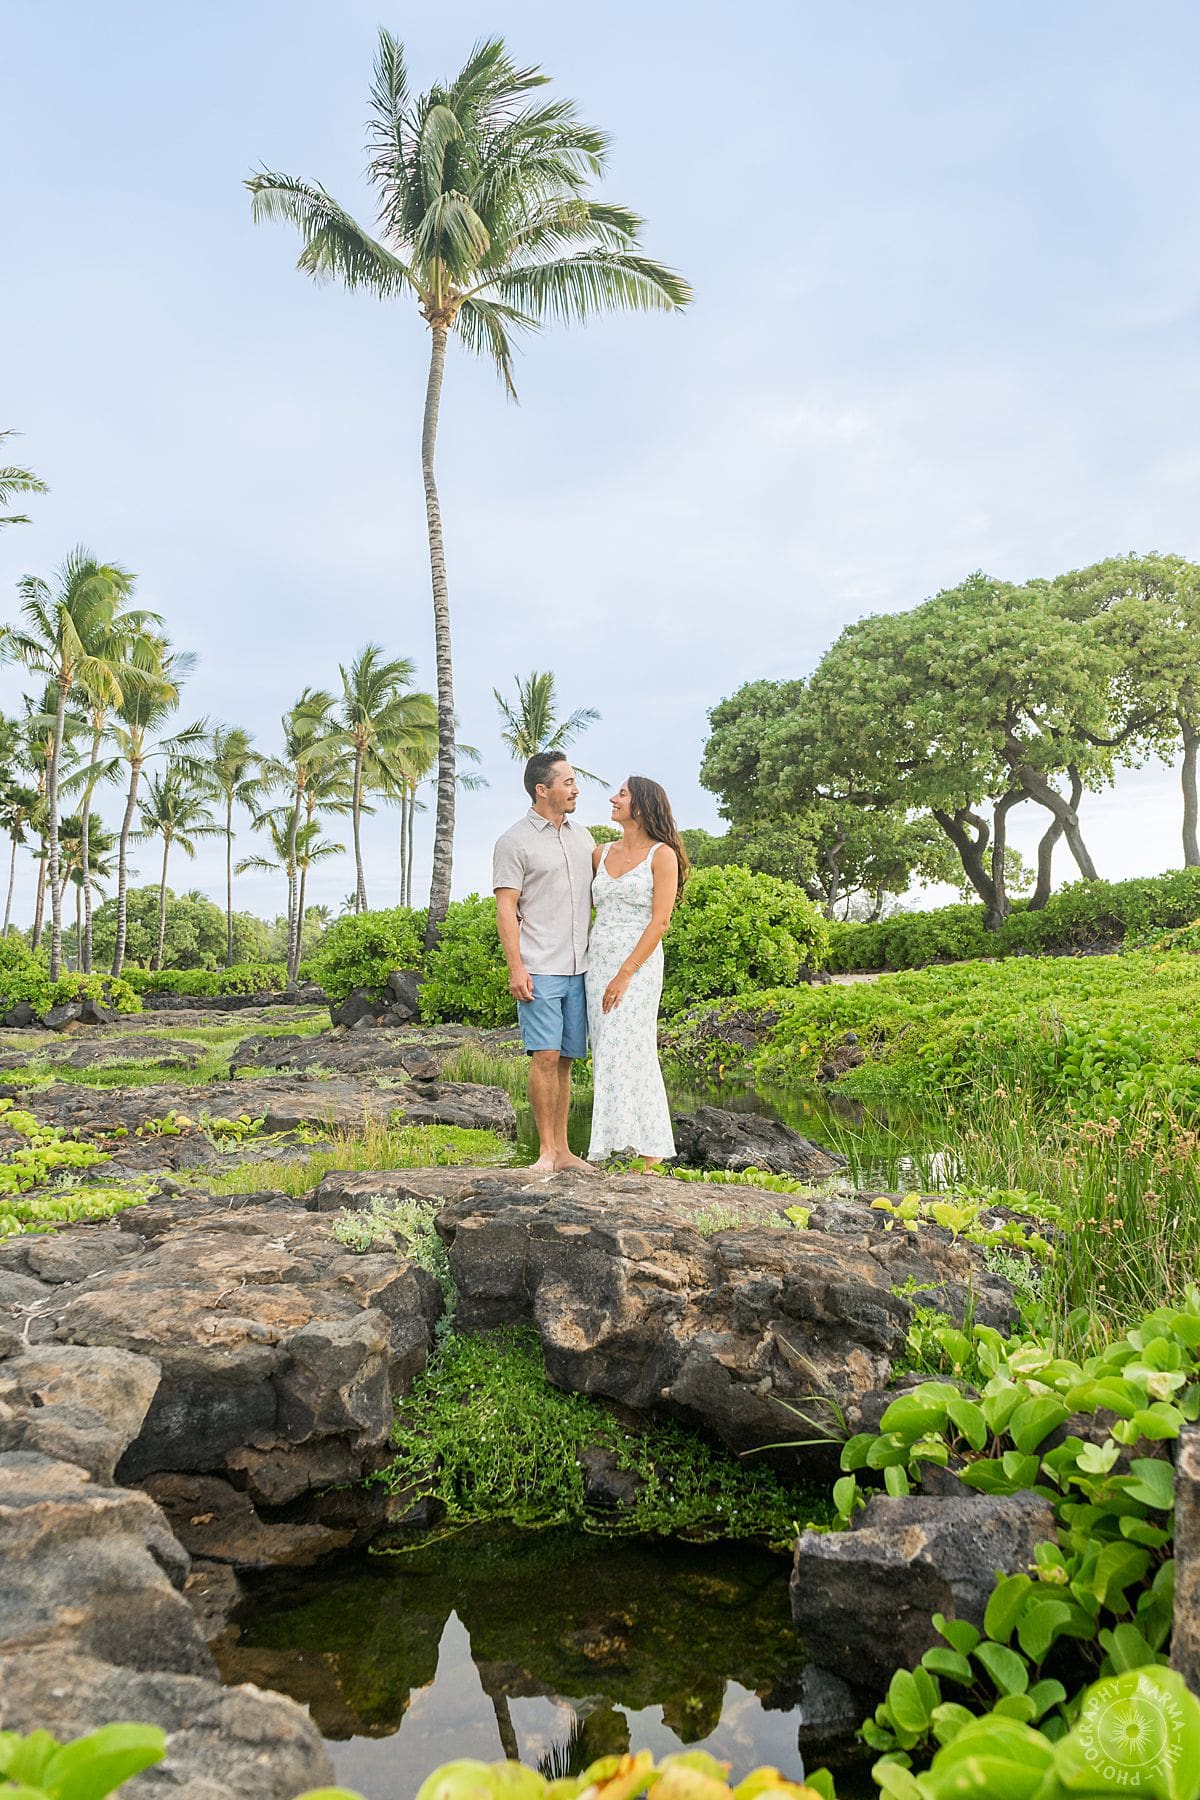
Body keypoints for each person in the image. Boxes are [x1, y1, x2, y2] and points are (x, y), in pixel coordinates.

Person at [493, 751, 596, 1174]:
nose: (575, 788)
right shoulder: (513, 841)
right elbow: (506, 910)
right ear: (543, 789)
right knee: (545, 1057)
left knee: (568, 1059)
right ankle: (545, 1152)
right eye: (568, 782)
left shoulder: (584, 837)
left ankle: (565, 1151)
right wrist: (516, 967)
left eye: (574, 781)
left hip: (582, 967)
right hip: (539, 966)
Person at [587, 775, 689, 1169]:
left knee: (634, 1049)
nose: (612, 799)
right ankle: (614, 1146)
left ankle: (650, 1152)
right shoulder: (599, 854)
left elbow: (660, 922)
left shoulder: (662, 856)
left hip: (638, 967)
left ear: (642, 806)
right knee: (608, 1052)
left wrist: (625, 973)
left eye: (622, 795)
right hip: (597, 964)